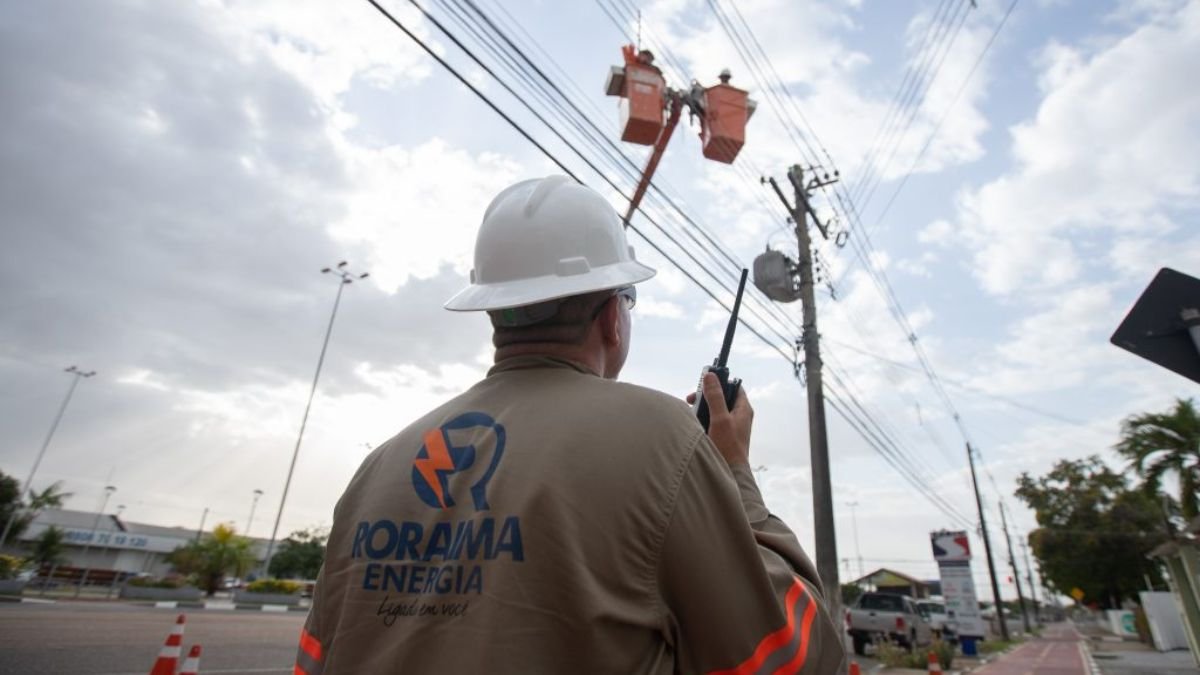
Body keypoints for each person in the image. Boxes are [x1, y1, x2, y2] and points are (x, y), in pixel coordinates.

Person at [295, 176, 845, 674]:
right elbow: (792, 659)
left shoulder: (379, 467)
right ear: (611, 317)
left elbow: (313, 661)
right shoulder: (662, 438)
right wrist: (733, 474)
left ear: (494, 313)